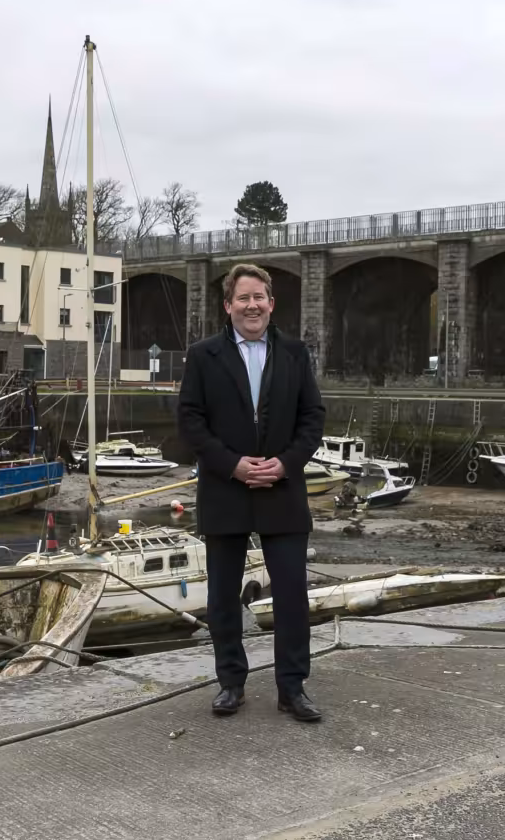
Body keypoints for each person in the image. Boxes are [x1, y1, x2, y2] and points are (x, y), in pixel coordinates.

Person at [178, 263, 326, 722]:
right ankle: (231, 684)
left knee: (291, 593)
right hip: (226, 489)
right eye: (243, 298)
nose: (252, 305)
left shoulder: (296, 353)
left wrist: (285, 463)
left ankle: (291, 688)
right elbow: (190, 420)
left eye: (259, 296)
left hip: (282, 489)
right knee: (223, 595)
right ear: (228, 306)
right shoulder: (204, 356)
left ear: (271, 303)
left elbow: (312, 418)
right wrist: (233, 465)